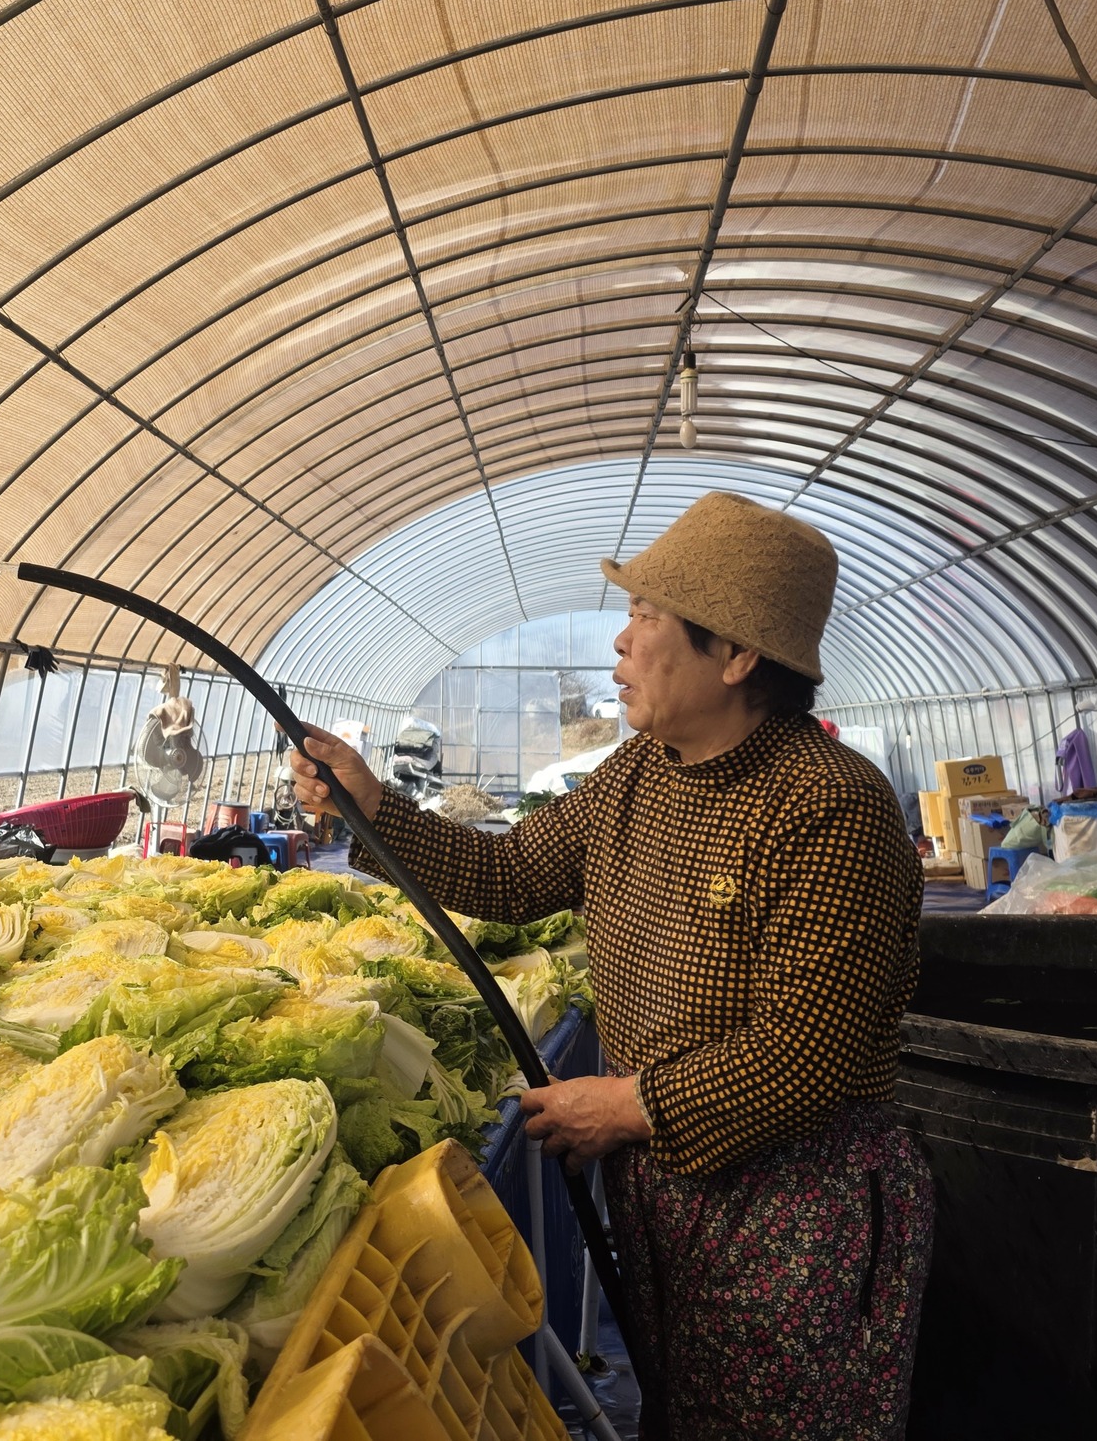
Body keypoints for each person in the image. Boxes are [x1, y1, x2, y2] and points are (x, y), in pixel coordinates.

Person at [289, 492, 930, 1440]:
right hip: (669, 1195)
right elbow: (508, 875)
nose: (620, 642)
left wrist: (627, 1107)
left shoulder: (829, 806)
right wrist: (375, 807)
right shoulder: (638, 773)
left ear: (737, 655)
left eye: (647, 615)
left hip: (791, 1213)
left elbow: (806, 1055)